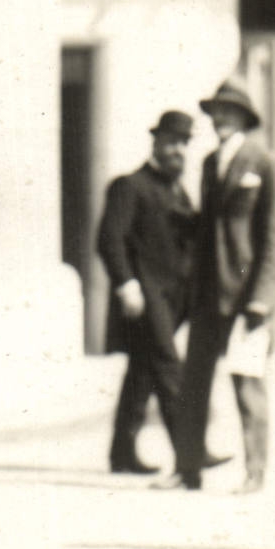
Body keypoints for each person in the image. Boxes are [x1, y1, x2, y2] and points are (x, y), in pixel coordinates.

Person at [157, 79, 275, 494]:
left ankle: (255, 473)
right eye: (216, 112)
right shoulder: (211, 164)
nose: (220, 119)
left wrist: (263, 300)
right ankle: (187, 469)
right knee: (193, 384)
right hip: (207, 297)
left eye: (230, 112)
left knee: (247, 384)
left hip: (246, 299)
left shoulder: (264, 163)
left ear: (245, 118)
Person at [96, 110, 197, 475]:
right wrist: (127, 285)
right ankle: (191, 452)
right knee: (169, 366)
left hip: (172, 300)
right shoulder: (130, 186)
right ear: (155, 142)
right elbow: (109, 239)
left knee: (142, 371)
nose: (178, 150)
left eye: (184, 143)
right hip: (145, 295)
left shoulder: (177, 190)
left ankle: (121, 454)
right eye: (171, 141)